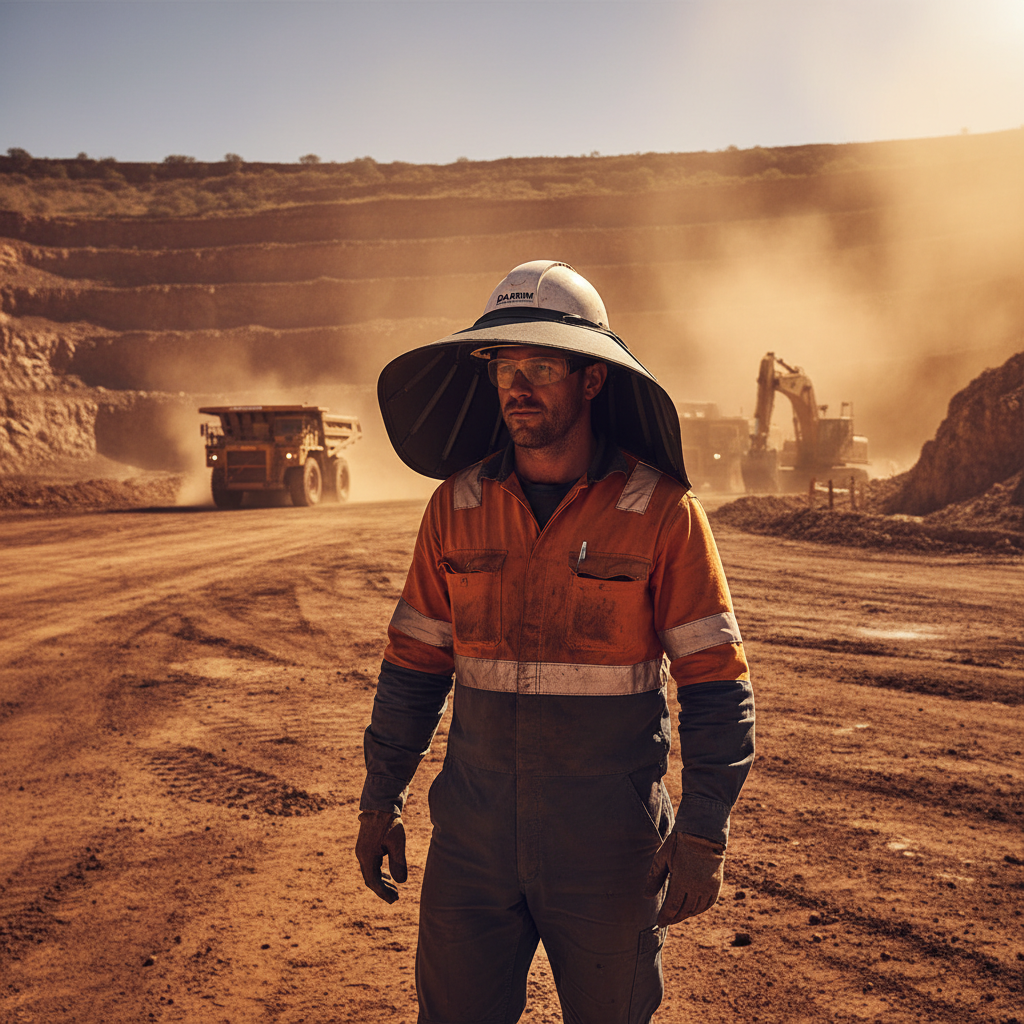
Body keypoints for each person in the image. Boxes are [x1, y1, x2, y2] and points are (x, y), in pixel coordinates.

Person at [356, 260, 755, 1024]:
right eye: (506, 367)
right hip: (470, 847)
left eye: (540, 366)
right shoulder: (457, 504)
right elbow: (412, 668)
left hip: (607, 853)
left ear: (593, 380)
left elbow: (715, 681)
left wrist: (704, 828)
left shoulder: (661, 512)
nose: (518, 387)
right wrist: (381, 796)